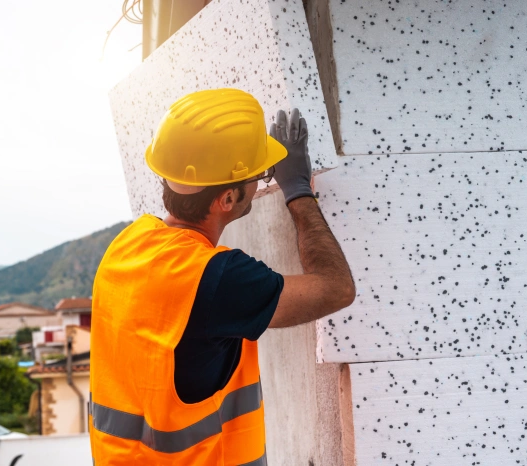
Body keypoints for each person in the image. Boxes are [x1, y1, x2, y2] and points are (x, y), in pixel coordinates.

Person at [89, 88, 355, 465]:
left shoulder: (127, 246)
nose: (263, 183)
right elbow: (336, 288)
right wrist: (297, 191)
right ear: (228, 199)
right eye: (260, 176)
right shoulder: (217, 278)